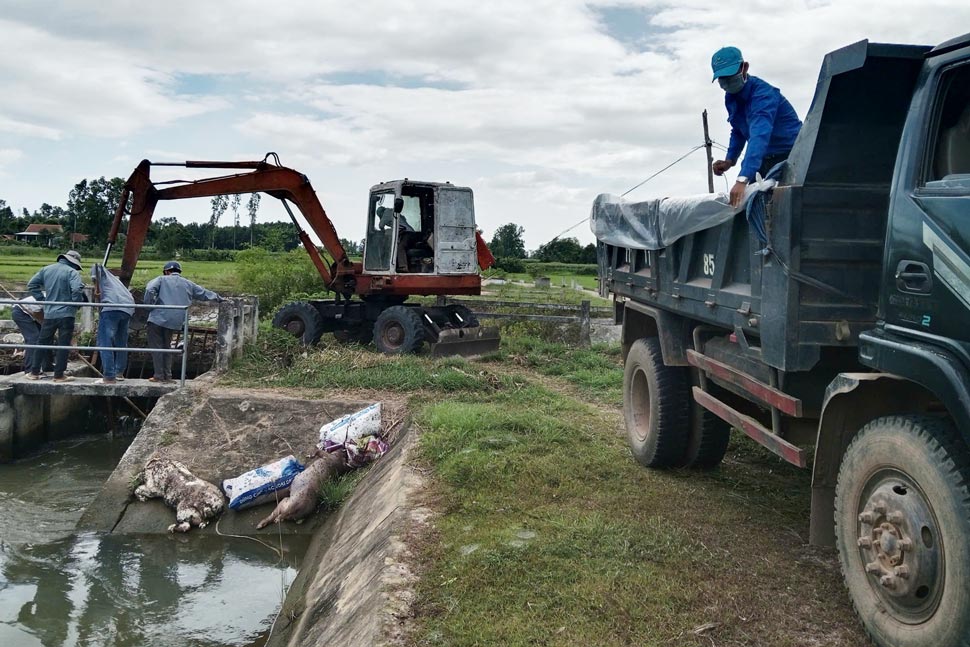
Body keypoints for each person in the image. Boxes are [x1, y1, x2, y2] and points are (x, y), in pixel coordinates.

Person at [710, 46, 802, 207]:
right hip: (762, 160)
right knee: (745, 204)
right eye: (722, 80)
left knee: (780, 205)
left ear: (744, 68)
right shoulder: (731, 97)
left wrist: (742, 178)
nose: (727, 83)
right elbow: (738, 130)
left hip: (790, 158)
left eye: (730, 77)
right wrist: (729, 161)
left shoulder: (764, 95)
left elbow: (759, 135)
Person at [144, 261, 222, 383]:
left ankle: (159, 375)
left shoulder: (161, 279)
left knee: (157, 347)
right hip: (175, 320)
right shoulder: (188, 283)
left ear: (166, 271)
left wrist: (149, 306)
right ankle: (168, 376)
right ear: (179, 272)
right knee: (167, 347)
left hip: (157, 318)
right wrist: (220, 298)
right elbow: (204, 293)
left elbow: (149, 290)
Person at [25, 250, 85, 382]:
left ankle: (34, 372)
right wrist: (75, 304)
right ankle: (59, 375)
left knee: (42, 342)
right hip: (67, 315)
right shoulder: (72, 272)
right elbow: (76, 289)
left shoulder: (46, 269)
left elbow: (32, 284)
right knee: (63, 344)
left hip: (50, 314)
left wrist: (42, 299)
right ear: (74, 263)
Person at [91, 264, 135, 384]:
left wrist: (95, 288)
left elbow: (96, 267)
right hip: (128, 307)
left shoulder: (98, 269)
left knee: (105, 342)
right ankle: (119, 373)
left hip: (112, 308)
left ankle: (109, 376)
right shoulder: (114, 281)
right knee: (121, 341)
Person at [11, 295, 53, 374]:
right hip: (21, 312)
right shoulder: (50, 297)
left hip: (33, 313)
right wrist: (44, 323)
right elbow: (37, 312)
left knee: (45, 338)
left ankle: (47, 366)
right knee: (33, 338)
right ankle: (30, 370)